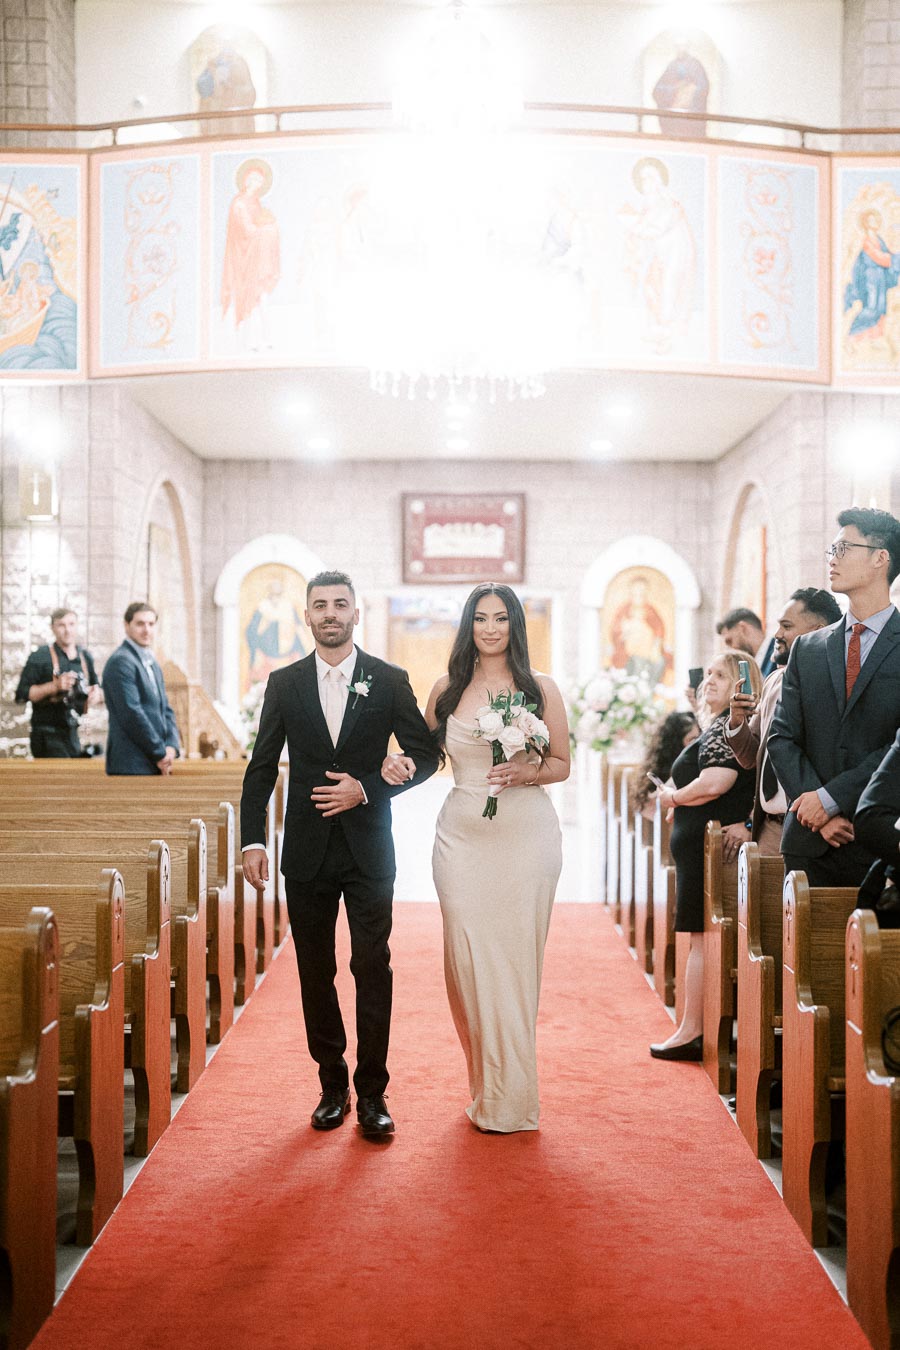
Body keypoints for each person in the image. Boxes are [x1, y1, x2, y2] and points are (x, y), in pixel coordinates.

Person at [241, 570, 438, 1140]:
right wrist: (254, 838)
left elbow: (425, 756)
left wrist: (371, 786)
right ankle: (332, 1082)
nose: (330, 613)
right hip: (305, 849)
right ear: (307, 616)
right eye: (320, 605)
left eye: (340, 604)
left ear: (357, 614)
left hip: (369, 846)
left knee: (372, 967)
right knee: (314, 969)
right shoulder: (284, 683)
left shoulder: (390, 679)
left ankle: (374, 1092)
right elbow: (261, 767)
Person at [385, 582, 570, 1133]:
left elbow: (561, 763)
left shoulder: (541, 688)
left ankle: (510, 1097)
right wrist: (391, 765)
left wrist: (526, 771)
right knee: (467, 963)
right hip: (462, 839)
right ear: (468, 627)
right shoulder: (447, 687)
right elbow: (423, 756)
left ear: (516, 625)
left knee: (513, 967)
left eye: (501, 619)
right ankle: (485, 1083)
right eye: (480, 619)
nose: (491, 628)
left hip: (526, 837)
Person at [768, 506, 900, 887]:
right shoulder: (807, 648)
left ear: (880, 558)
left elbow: (896, 744)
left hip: (877, 837)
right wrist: (816, 809)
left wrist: (831, 799)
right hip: (808, 842)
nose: (832, 558)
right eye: (832, 549)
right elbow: (782, 736)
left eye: (844, 548)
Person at [650, 651, 761, 1060]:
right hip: (701, 844)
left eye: (722, 675)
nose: (710, 680)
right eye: (708, 674)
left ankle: (691, 1030)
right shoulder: (715, 728)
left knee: (700, 939)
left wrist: (672, 796)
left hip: (706, 847)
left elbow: (717, 781)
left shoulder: (724, 730)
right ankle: (691, 1026)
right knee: (698, 938)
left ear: (742, 688)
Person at [724, 588, 842, 859]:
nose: (776, 635)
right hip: (770, 825)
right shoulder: (774, 680)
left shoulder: (830, 683)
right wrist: (737, 721)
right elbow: (753, 757)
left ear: (818, 630)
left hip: (810, 822)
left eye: (786, 626)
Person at [102, 602, 180, 776]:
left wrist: (172, 747)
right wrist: (160, 753)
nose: (147, 630)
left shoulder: (152, 663)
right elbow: (131, 713)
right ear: (126, 625)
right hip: (131, 763)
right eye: (140, 624)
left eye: (151, 624)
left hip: (153, 760)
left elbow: (166, 709)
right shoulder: (121, 661)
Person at [15, 607, 100, 758]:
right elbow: (22, 694)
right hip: (46, 734)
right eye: (61, 625)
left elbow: (97, 689)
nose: (67, 630)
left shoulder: (85, 657)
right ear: (52, 628)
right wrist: (54, 686)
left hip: (74, 733)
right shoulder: (40, 656)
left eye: (71, 624)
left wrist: (95, 695)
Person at [632, 710, 699, 820]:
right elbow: (649, 812)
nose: (697, 746)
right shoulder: (664, 773)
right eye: (692, 740)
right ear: (675, 743)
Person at [716, 606, 777, 678]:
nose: (731, 649)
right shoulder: (753, 664)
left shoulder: (779, 654)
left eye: (730, 641)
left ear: (742, 628)